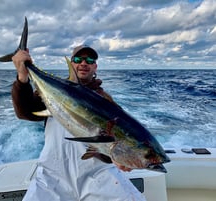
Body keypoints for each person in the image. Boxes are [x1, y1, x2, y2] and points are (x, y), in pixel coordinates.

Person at [11, 45, 146, 201]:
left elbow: (110, 145)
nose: (84, 63)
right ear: (72, 64)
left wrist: (118, 157)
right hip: (52, 175)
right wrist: (22, 76)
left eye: (89, 60)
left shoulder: (107, 101)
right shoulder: (53, 91)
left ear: (95, 67)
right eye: (78, 59)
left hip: (96, 175)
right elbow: (24, 112)